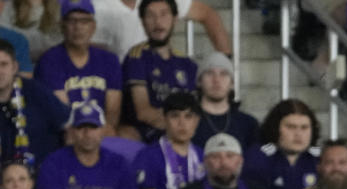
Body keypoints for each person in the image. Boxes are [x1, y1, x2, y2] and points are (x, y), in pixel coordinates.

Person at [33, 0, 122, 134]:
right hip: (67, 134)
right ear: (62, 26)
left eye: (84, 21)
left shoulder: (109, 60)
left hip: (102, 132)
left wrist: (103, 132)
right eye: (72, 21)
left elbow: (113, 112)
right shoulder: (49, 60)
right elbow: (62, 114)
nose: (78, 27)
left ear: (93, 27)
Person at [120, 0, 197, 142]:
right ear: (142, 22)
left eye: (164, 14)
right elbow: (143, 112)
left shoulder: (188, 64)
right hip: (146, 134)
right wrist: (178, 123)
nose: (158, 22)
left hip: (181, 133)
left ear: (175, 19)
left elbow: (193, 110)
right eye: (150, 16)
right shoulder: (136, 57)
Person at [132, 91, 204, 189]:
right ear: (164, 120)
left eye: (188, 116)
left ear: (197, 121)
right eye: (175, 116)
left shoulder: (203, 156)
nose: (182, 123)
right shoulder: (148, 156)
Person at [0, 38, 69, 166]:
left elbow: (69, 125)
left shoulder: (35, 91)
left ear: (15, 67)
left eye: (4, 64)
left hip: (42, 175)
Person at [242, 99, 321, 189]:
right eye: (291, 127)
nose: (298, 134)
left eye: (304, 127)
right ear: (275, 128)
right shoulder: (257, 158)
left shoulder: (321, 160)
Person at [91, 0, 231, 61]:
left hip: (164, 76)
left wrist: (225, 61)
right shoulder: (96, 6)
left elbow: (208, 15)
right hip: (120, 83)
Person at [191, 52, 259, 151]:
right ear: (199, 81)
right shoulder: (187, 121)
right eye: (210, 73)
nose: (216, 80)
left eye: (223, 74)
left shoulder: (248, 123)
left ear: (232, 83)